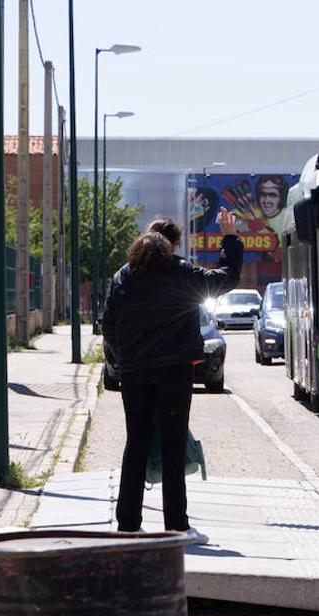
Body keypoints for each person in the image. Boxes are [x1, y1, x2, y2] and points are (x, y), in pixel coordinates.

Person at [103, 209, 243, 542]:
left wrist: (125, 358)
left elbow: (108, 324)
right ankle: (176, 526)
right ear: (172, 246)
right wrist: (229, 237)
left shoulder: (124, 276)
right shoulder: (180, 272)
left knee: (135, 444)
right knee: (172, 443)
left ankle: (127, 525)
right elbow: (226, 277)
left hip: (135, 373)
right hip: (174, 372)